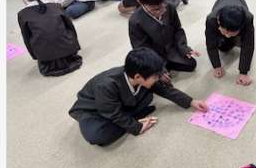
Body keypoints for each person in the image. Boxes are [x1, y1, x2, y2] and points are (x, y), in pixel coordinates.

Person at [68, 47, 208, 146]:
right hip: (93, 110)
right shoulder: (106, 85)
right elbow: (111, 112)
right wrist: (136, 127)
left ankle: (131, 116)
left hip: (119, 103)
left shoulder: (139, 75)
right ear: (137, 77)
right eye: (155, 76)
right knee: (97, 136)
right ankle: (133, 117)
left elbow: (165, 90)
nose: (157, 78)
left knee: (149, 95)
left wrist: (191, 101)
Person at [129, 0, 199, 75]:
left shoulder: (169, 7)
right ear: (141, 3)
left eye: (163, 5)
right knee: (154, 78)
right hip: (154, 55)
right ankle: (162, 67)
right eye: (156, 9)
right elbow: (142, 49)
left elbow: (178, 29)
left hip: (171, 49)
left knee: (191, 64)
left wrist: (183, 48)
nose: (162, 10)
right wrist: (158, 69)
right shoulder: (135, 21)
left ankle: (167, 65)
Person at [17, 0, 82, 76]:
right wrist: (74, 46)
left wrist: (35, 56)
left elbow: (26, 38)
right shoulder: (56, 6)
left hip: (46, 57)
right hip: (69, 51)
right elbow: (70, 28)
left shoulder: (22, 14)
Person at [205, 0, 255, 86]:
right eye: (226, 32)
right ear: (219, 23)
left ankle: (235, 39)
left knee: (242, 42)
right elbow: (210, 44)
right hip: (220, 0)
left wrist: (243, 72)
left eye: (231, 33)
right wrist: (216, 66)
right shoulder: (211, 19)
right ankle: (229, 37)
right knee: (223, 47)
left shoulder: (248, 18)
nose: (228, 35)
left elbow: (248, 45)